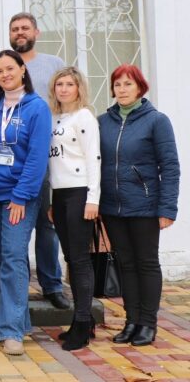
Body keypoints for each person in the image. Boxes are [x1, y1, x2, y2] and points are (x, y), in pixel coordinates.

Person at [0, 12, 69, 310]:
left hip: (46, 157)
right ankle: (7, 289)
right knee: (8, 243)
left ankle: (51, 284)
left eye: (25, 28)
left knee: (47, 225)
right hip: (8, 164)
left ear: (36, 32)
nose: (20, 32)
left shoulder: (54, 64)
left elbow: (67, 98)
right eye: (14, 29)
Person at [98, 64, 180, 347]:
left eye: (128, 84)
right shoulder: (103, 122)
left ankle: (148, 323)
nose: (122, 89)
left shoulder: (157, 121)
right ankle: (131, 321)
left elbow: (170, 167)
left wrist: (167, 208)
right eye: (117, 84)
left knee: (146, 263)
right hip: (112, 207)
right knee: (126, 264)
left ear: (140, 87)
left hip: (145, 205)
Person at [0, 49, 52, 356]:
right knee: (1, 255)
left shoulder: (37, 108)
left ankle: (11, 332)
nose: (5, 74)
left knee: (13, 256)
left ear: (23, 69)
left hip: (19, 196)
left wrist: (21, 196)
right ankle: (20, 321)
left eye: (10, 68)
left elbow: (37, 158)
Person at [47, 66, 100, 351]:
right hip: (60, 194)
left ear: (79, 88)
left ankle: (81, 323)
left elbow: (94, 159)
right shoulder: (54, 118)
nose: (64, 89)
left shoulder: (84, 117)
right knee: (70, 257)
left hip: (80, 192)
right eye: (60, 84)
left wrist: (93, 199)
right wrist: (52, 201)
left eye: (69, 84)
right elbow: (53, 163)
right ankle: (83, 319)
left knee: (80, 260)